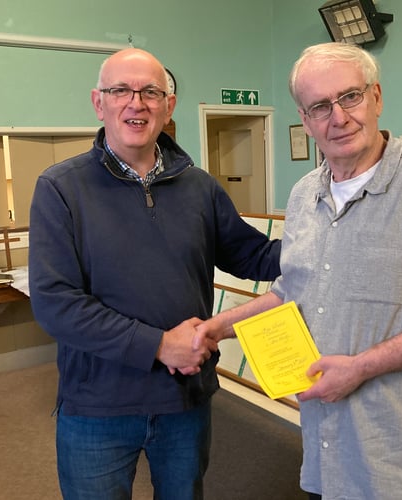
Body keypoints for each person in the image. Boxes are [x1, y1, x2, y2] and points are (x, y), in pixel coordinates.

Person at [197, 42, 402, 500]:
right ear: (306, 121)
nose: (339, 117)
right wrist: (216, 328)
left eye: (350, 97)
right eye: (320, 106)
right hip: (328, 448)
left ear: (376, 97)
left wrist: (361, 368)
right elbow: (293, 292)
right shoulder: (305, 193)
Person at [28, 48, 281, 500]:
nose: (136, 103)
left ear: (169, 105)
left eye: (150, 91)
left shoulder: (200, 187)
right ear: (98, 102)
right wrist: (159, 345)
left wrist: (328, 245)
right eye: (120, 90)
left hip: (183, 399)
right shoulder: (60, 188)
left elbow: (253, 256)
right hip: (97, 407)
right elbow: (55, 303)